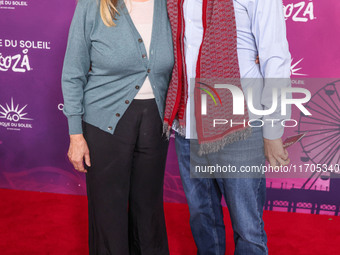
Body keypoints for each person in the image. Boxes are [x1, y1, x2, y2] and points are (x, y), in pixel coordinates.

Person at [164, 0, 291, 254]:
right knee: (202, 218)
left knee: (247, 226)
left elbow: (275, 57)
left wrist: (273, 129)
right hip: (188, 124)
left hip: (239, 125)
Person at [61, 0, 174, 253]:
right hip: (105, 123)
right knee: (108, 210)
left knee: (149, 208)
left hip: (155, 122)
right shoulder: (93, 5)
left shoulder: (170, 5)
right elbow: (72, 72)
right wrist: (75, 135)